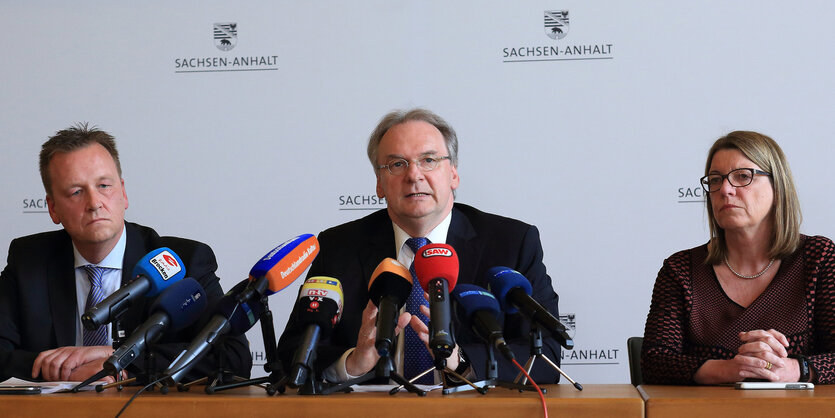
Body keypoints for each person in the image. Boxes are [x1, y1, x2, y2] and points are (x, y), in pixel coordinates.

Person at [277, 108, 561, 385]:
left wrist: (463, 362)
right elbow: (291, 353)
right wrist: (352, 363)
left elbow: (546, 355)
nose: (414, 175)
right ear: (379, 183)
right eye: (397, 164)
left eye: (428, 160)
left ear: (453, 174)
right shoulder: (339, 246)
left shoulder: (511, 243)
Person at [0, 124, 252, 383]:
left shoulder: (182, 261)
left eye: (104, 186)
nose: (94, 203)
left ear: (123, 192)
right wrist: (67, 368)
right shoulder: (28, 261)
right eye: (76, 191)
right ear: (53, 208)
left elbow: (233, 357)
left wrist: (118, 359)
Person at [642, 130, 835, 385]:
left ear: (777, 187)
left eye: (743, 176)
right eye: (714, 180)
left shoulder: (819, 259)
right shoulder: (680, 270)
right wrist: (734, 369)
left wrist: (793, 368)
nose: (725, 190)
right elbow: (654, 361)